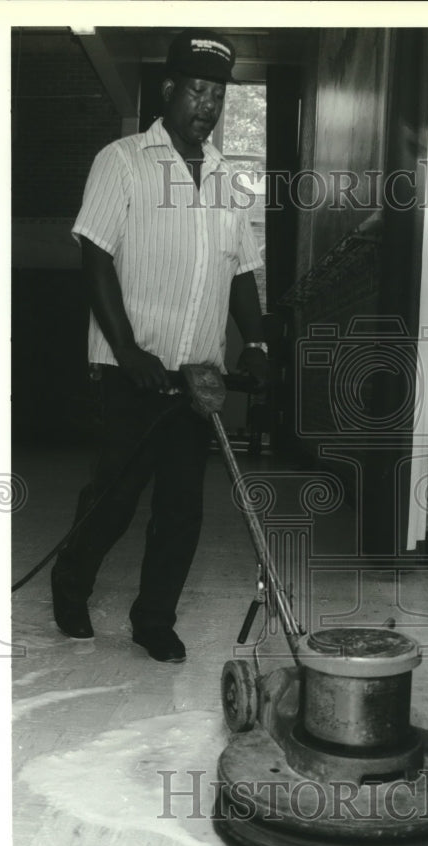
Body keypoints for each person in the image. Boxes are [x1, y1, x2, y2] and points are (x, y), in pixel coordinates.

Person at [51, 29, 268, 663]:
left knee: (181, 509)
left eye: (218, 95)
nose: (208, 105)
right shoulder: (121, 161)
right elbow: (93, 254)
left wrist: (254, 341)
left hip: (196, 376)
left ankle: (154, 620)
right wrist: (127, 350)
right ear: (170, 89)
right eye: (197, 90)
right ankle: (71, 582)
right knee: (115, 499)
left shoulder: (230, 181)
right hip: (133, 369)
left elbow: (241, 271)